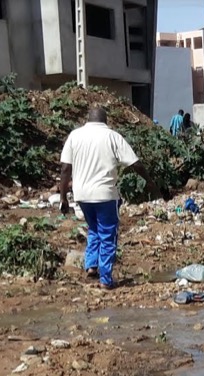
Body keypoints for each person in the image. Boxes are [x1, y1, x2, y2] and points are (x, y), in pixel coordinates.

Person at [59, 106, 140, 290]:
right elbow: (135, 163)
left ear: (88, 119)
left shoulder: (75, 135)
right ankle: (105, 279)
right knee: (107, 234)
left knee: (94, 228)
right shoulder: (112, 136)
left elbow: (65, 169)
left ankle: (91, 266)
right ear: (106, 120)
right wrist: (150, 182)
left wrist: (63, 197)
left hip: (82, 195)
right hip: (105, 195)